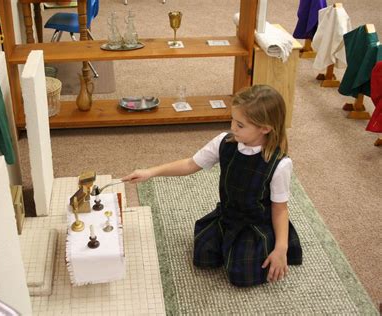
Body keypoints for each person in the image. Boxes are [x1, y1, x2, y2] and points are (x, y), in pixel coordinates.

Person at [122, 85, 302, 287]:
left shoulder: (280, 164)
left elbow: (280, 210)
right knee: (203, 254)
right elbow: (190, 164)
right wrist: (151, 171)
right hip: (228, 214)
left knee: (242, 275)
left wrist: (281, 249)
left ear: (265, 128)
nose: (233, 127)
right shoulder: (224, 142)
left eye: (240, 125)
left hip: (255, 224)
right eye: (233, 120)